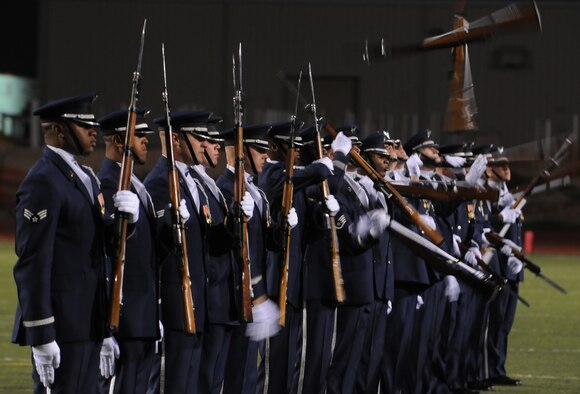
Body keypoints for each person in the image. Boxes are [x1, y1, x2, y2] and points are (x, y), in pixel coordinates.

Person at [11, 93, 119, 393]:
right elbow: (33, 264)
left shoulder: (83, 175)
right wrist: (42, 334)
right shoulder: (43, 181)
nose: (93, 132)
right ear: (60, 131)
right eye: (85, 127)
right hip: (61, 328)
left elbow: (99, 248)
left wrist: (126, 221)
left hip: (87, 322)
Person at [96, 108, 166, 393]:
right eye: (138, 135)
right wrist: (104, 329)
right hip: (123, 318)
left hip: (142, 314)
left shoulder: (137, 186)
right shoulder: (109, 184)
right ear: (116, 140)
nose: (146, 141)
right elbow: (104, 255)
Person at [217, 123, 289, 394]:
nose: (264, 156)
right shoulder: (225, 187)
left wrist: (283, 226)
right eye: (258, 150)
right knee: (238, 376)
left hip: (255, 296)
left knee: (251, 374)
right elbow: (233, 249)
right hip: (238, 298)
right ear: (241, 152)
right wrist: (256, 295)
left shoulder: (256, 192)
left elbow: (265, 243)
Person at [144, 110, 211, 393]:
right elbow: (153, 250)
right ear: (176, 139)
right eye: (198, 137)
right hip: (173, 306)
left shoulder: (192, 181)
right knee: (172, 384)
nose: (204, 144)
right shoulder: (159, 182)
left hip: (195, 304)